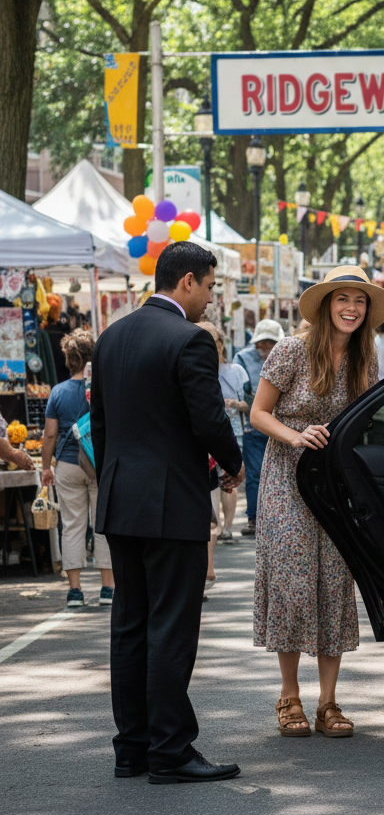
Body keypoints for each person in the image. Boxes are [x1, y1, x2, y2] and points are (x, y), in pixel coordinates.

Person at [92, 241, 243, 784]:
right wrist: (232, 464)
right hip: (170, 500)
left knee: (129, 625)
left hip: (120, 498)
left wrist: (113, 480)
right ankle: (171, 751)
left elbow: (102, 427)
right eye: (208, 285)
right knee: (171, 627)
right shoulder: (190, 340)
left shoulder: (110, 339)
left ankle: (131, 748)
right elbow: (207, 419)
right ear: (186, 282)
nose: (210, 297)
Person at [250, 266, 384, 739]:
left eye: (360, 300)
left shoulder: (364, 359)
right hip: (286, 480)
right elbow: (258, 413)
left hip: (333, 485)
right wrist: (296, 435)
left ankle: (328, 702)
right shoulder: (291, 351)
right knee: (291, 584)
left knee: (334, 584)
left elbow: (364, 422)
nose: (352, 308)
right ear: (326, 304)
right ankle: (289, 697)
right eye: (342, 299)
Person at [40, 329, 113, 607]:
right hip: (99, 463)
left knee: (72, 525)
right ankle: (108, 588)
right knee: (103, 524)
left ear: (69, 359)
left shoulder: (58, 392)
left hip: (68, 465)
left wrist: (46, 467)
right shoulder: (101, 388)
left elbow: (49, 435)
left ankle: (75, 591)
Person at [198, 322, 248, 544]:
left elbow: (249, 404)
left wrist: (236, 404)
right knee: (210, 483)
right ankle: (213, 528)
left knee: (227, 481)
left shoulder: (235, 371)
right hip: (205, 436)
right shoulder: (195, 370)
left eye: (216, 344)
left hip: (232, 431)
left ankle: (225, 528)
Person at [233, 319, 284, 536]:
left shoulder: (285, 355)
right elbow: (238, 389)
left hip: (281, 426)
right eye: (261, 343)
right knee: (255, 474)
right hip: (254, 426)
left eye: (270, 343)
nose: (265, 348)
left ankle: (277, 518)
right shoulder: (243, 358)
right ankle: (254, 518)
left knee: (281, 474)